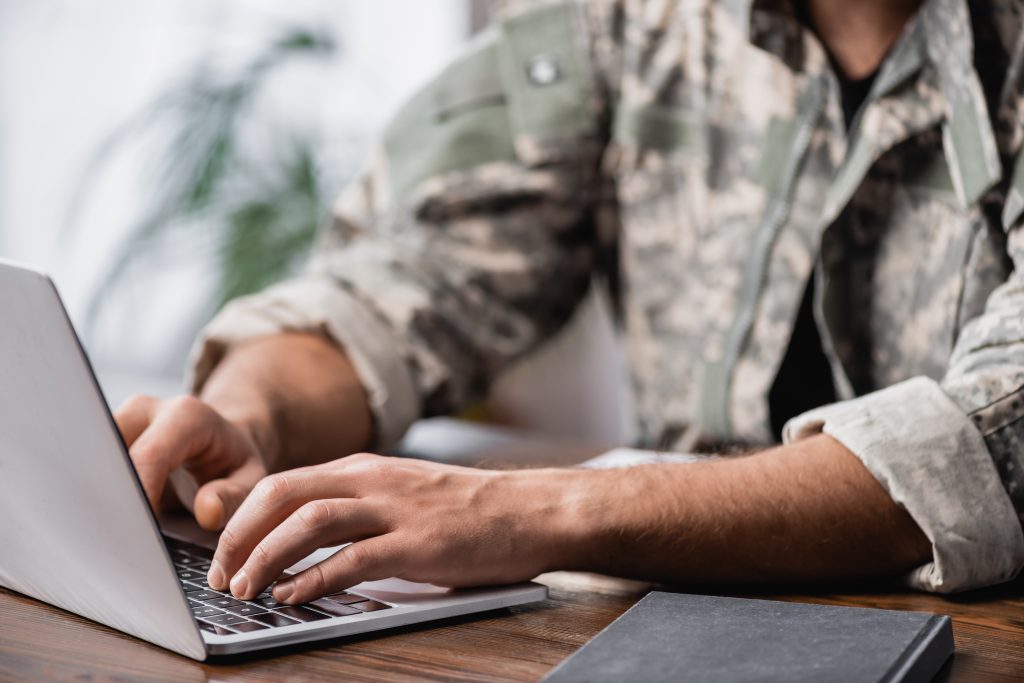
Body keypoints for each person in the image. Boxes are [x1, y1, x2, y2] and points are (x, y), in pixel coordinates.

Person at [116, 0, 1024, 606]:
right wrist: (249, 414)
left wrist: (532, 513)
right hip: (663, 629)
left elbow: (996, 432)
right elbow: (416, 275)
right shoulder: (626, 20)